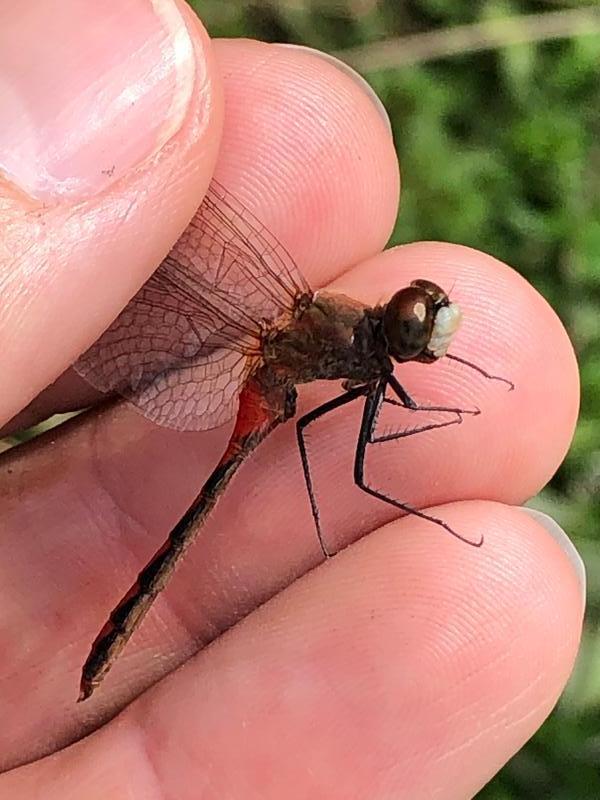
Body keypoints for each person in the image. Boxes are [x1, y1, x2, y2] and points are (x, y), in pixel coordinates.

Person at [0, 1, 583, 797]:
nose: (426, 332)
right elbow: (352, 459)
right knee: (343, 470)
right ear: (392, 333)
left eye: (422, 321)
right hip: (264, 384)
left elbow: (375, 412)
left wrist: (456, 402)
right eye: (419, 325)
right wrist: (439, 468)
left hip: (276, 376)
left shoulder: (371, 347)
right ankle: (109, 645)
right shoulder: (365, 353)